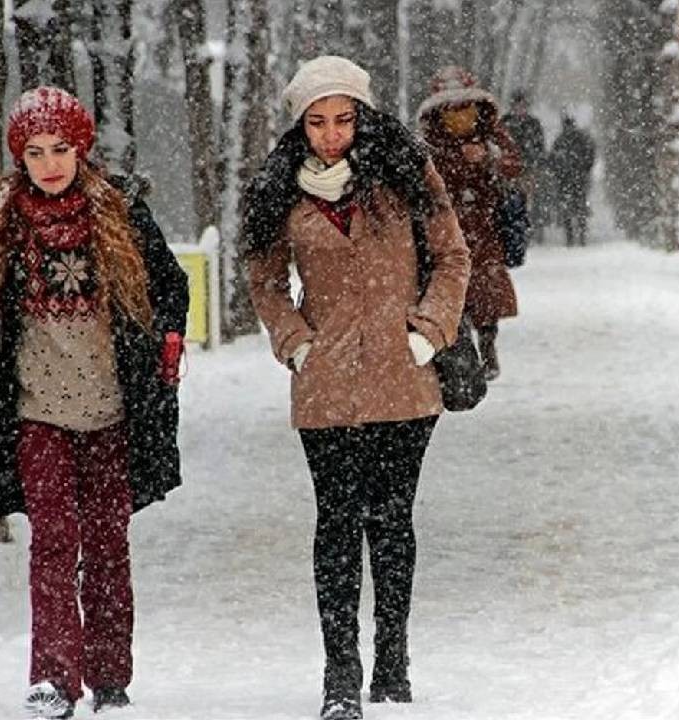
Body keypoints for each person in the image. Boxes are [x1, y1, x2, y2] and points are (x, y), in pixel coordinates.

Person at [241, 56, 470, 720]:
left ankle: (392, 663)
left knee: (391, 521)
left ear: (363, 116)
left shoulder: (405, 172)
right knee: (337, 524)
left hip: (405, 377)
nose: (332, 133)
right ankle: (340, 675)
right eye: (318, 121)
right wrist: (295, 341)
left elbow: (453, 255)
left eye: (344, 119)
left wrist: (427, 332)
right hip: (326, 385)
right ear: (300, 125)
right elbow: (263, 278)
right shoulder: (279, 187)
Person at [0, 86, 189, 719]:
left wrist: (166, 340)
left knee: (108, 542)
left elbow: (171, 286)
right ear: (20, 158)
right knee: (54, 541)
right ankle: (54, 679)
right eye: (35, 152)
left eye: (61, 149)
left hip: (112, 411)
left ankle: (110, 677)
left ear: (81, 150)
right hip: (37, 414)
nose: (50, 163)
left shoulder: (122, 216)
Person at [416, 65, 523, 381]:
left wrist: (488, 158)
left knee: (487, 296)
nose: (459, 118)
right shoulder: (431, 143)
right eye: (451, 112)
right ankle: (463, 358)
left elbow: (513, 164)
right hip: (447, 230)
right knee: (453, 293)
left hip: (484, 228)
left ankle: (488, 349)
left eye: (465, 110)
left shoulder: (491, 134)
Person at [500, 89, 548, 245]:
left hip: (528, 169)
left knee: (529, 201)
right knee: (509, 200)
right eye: (517, 105)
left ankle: (529, 231)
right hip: (508, 170)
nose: (520, 108)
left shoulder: (533, 124)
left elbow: (540, 147)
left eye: (523, 105)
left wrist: (535, 163)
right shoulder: (505, 122)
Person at [548, 109, 597, 247]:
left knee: (570, 207)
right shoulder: (575, 139)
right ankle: (578, 235)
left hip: (570, 178)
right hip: (574, 178)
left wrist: (559, 172)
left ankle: (573, 236)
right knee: (577, 206)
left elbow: (552, 159)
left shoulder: (562, 140)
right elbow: (590, 155)